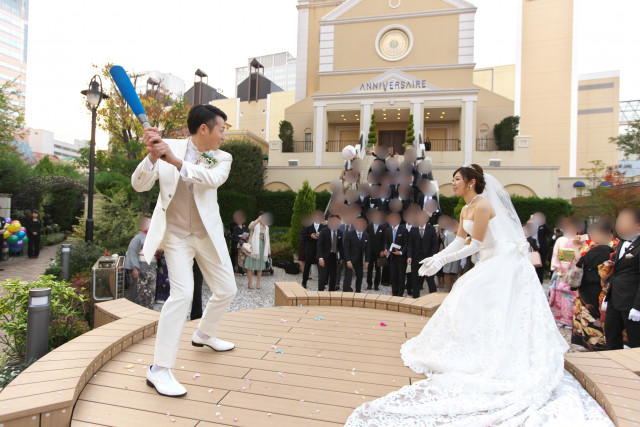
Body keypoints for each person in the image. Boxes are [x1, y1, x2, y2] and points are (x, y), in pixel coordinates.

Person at [345, 164, 611, 426]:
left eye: (457, 178)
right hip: (488, 259)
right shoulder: (465, 208)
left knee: (473, 295)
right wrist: (437, 257)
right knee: (468, 297)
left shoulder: (483, 205)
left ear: (471, 182)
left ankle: (494, 354)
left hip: (502, 261)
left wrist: (441, 262)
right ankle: (472, 347)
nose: (454, 183)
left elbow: (478, 244)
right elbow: (461, 240)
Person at [132, 104, 237, 397]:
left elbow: (212, 179)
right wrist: (152, 158)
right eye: (222, 129)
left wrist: (175, 161)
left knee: (227, 289)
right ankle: (159, 369)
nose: (223, 136)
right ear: (204, 129)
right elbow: (139, 185)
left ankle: (203, 334)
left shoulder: (219, 157)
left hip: (207, 236)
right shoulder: (170, 147)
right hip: (177, 236)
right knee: (182, 295)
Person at [571, 219, 615, 351]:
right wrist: (578, 249)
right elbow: (579, 263)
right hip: (586, 287)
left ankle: (596, 345)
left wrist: (578, 251)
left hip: (597, 287)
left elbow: (582, 262)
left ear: (606, 234)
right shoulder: (591, 246)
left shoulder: (609, 247)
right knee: (585, 317)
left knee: (594, 319)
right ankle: (586, 342)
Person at [605, 208, 640, 349]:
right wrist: (609, 294)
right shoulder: (622, 242)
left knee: (635, 340)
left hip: (632, 301)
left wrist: (638, 307)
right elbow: (617, 270)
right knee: (611, 333)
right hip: (615, 298)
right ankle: (615, 366)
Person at [549, 216, 583, 328]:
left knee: (572, 296)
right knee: (560, 296)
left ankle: (571, 320)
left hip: (573, 270)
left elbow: (581, 255)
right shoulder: (560, 240)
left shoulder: (580, 240)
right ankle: (560, 319)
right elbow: (555, 254)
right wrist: (558, 267)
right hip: (561, 271)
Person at [124, 215, 156, 308]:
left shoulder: (150, 237)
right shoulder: (137, 238)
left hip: (151, 268)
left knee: (149, 293)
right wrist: (135, 268)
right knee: (138, 292)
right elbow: (132, 253)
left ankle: (148, 310)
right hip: (141, 268)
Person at [407, 210, 439, 297]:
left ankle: (434, 297)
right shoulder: (413, 229)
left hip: (427, 258)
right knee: (415, 280)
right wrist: (409, 256)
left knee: (430, 279)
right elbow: (410, 243)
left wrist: (432, 257)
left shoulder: (431, 229)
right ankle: (415, 298)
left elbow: (435, 244)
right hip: (415, 257)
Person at [383, 212, 409, 297]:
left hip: (401, 257)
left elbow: (406, 243)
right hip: (392, 257)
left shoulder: (403, 230)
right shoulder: (388, 230)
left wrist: (401, 252)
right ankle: (394, 293)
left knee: (401, 276)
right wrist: (386, 249)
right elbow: (386, 242)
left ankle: (400, 294)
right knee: (393, 276)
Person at [244, 212, 271, 290]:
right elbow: (250, 227)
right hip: (253, 246)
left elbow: (267, 238)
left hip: (262, 246)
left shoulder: (266, 226)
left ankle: (258, 282)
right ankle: (250, 282)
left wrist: (268, 250)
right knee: (250, 265)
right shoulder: (254, 223)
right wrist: (257, 220)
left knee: (260, 266)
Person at [343, 216, 370, 293]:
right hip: (350, 259)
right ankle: (345, 292)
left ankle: (358, 292)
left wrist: (367, 261)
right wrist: (348, 261)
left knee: (360, 276)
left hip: (359, 260)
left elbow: (368, 249)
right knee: (348, 277)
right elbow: (346, 248)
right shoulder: (349, 234)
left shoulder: (366, 235)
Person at [317, 214, 343, 291]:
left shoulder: (339, 232)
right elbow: (319, 245)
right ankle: (320, 292)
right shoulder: (324, 231)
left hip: (333, 256)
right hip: (324, 256)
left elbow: (340, 246)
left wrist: (341, 257)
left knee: (333, 275)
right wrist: (320, 258)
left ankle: (331, 292)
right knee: (323, 275)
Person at [301, 210, 325, 288]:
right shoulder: (308, 225)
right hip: (310, 249)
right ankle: (304, 281)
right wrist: (310, 236)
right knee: (307, 266)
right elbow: (303, 235)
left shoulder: (323, 226)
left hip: (320, 250)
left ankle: (321, 283)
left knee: (321, 267)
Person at [366, 209, 387, 291]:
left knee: (378, 269)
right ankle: (369, 284)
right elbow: (366, 239)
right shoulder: (369, 226)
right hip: (370, 252)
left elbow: (385, 240)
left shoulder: (383, 227)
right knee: (369, 269)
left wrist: (383, 250)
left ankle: (376, 285)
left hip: (380, 253)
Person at [439, 216, 461, 291]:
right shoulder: (446, 232)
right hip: (448, 254)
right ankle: (449, 289)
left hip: (458, 255)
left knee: (456, 273)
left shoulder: (460, 231)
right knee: (447, 273)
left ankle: (455, 290)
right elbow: (444, 243)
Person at [531, 211, 552, 275]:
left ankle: (540, 280)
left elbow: (550, 232)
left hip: (542, 247)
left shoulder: (543, 225)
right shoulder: (530, 225)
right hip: (533, 247)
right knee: (533, 263)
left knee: (541, 264)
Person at [230, 211, 248, 275]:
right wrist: (241, 238)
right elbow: (235, 236)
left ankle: (244, 269)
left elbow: (246, 233)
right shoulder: (235, 228)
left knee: (244, 257)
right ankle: (240, 270)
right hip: (238, 244)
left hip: (243, 243)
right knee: (240, 257)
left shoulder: (244, 227)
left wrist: (246, 237)